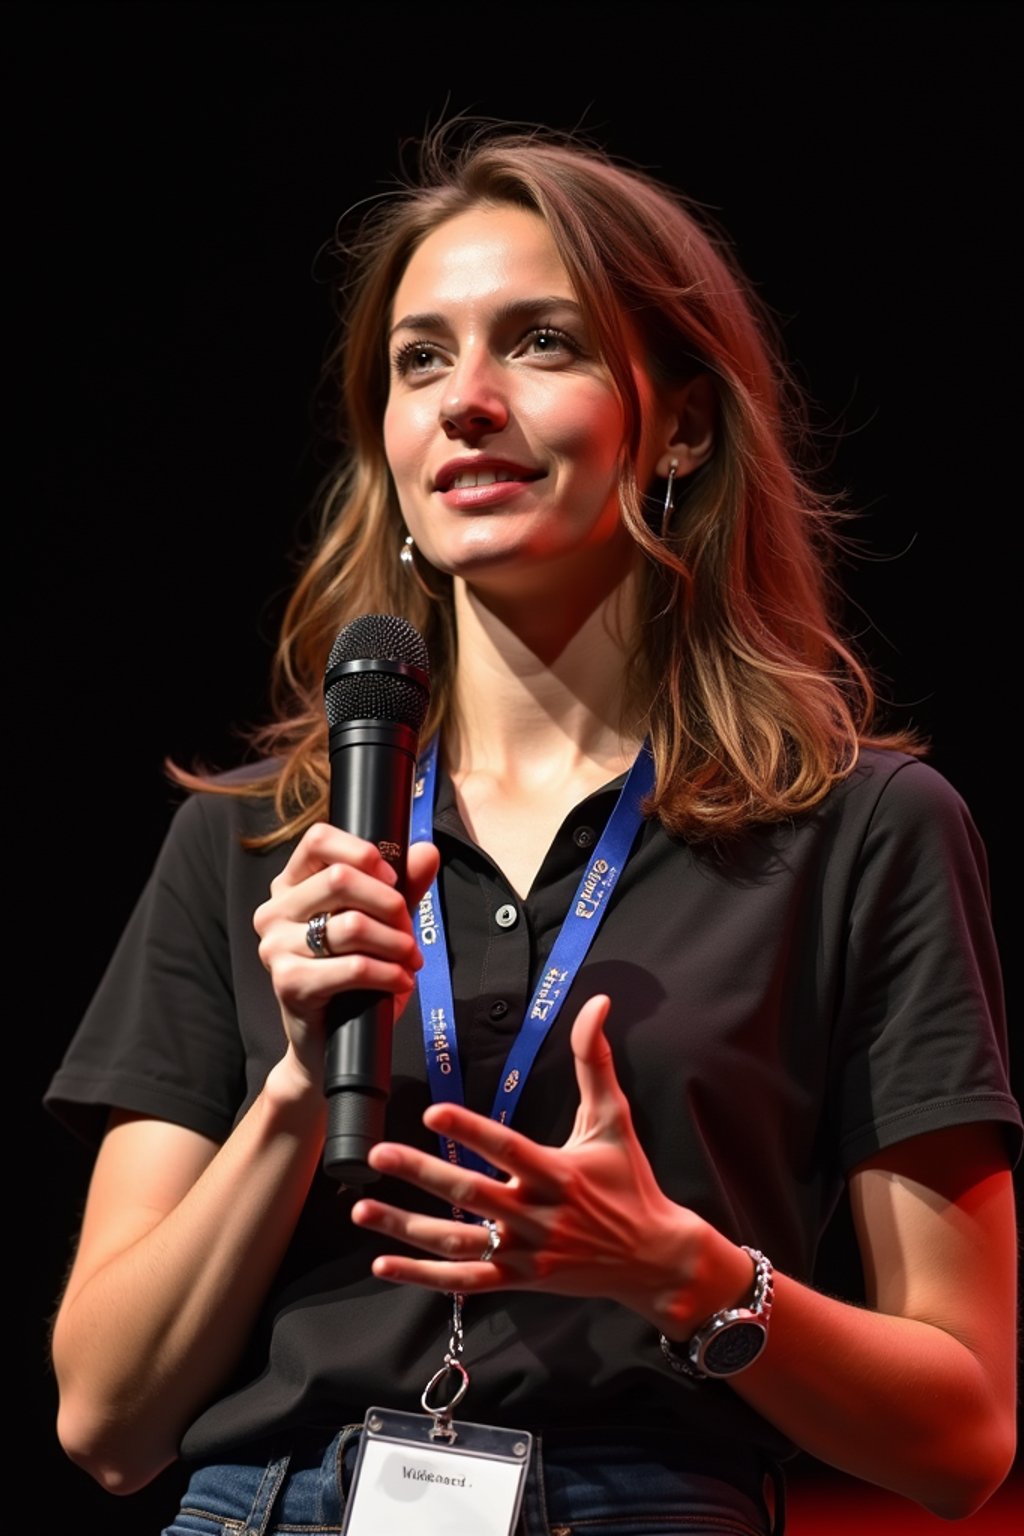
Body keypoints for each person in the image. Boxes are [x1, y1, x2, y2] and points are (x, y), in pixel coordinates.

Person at [44, 118, 1020, 1536]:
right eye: (421, 358)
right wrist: (299, 1087)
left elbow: (964, 1434)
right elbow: (104, 1420)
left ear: (679, 419)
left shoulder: (862, 833)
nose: (468, 402)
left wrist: (681, 1273)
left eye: (542, 343)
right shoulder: (261, 844)